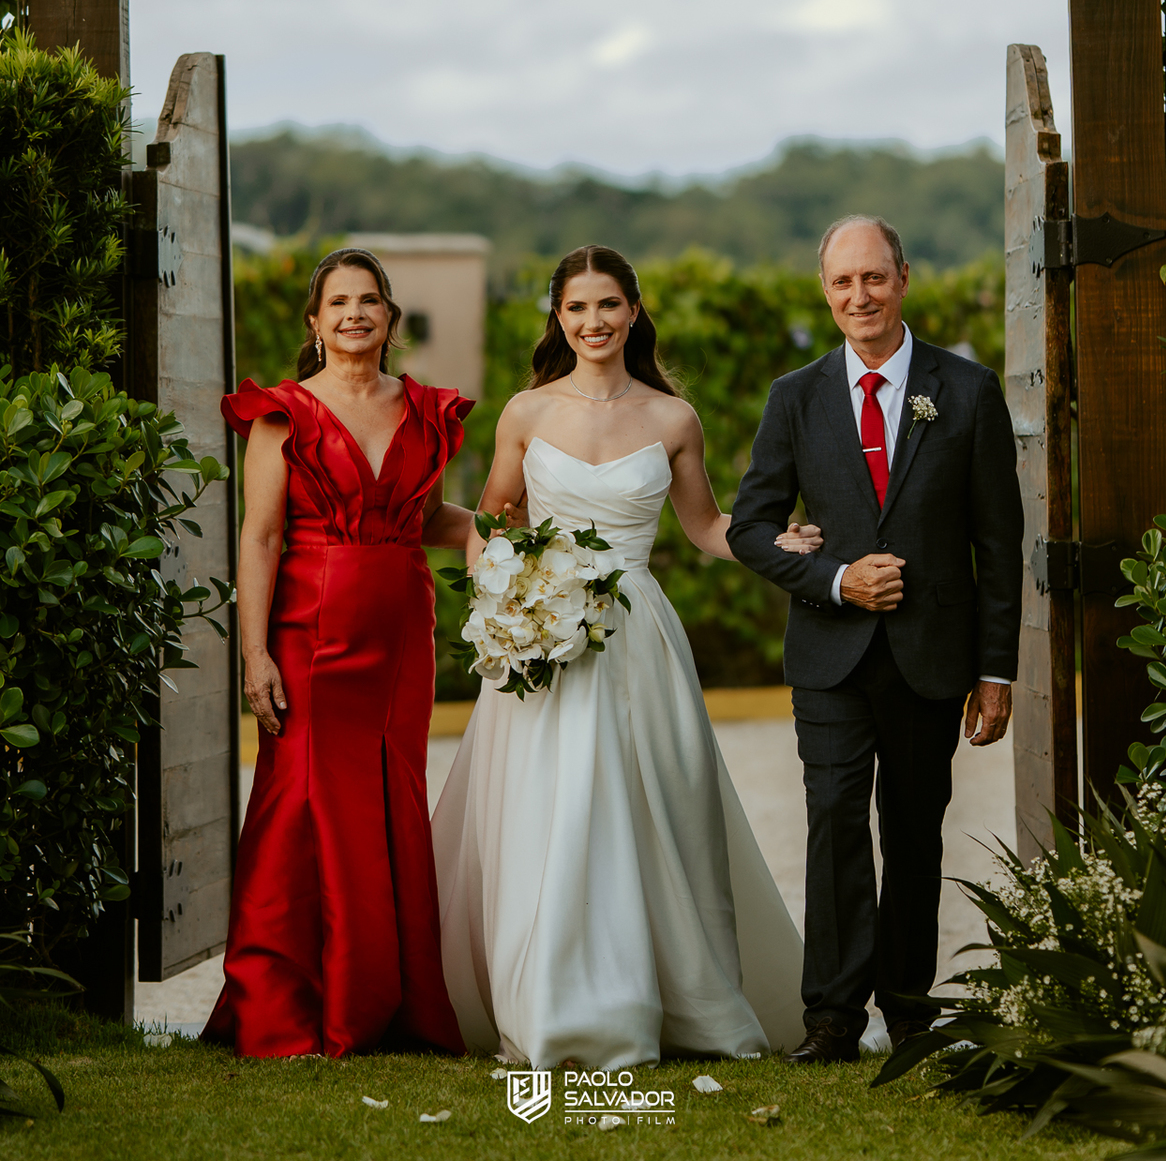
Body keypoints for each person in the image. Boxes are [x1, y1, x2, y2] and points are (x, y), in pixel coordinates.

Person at [431, 244, 817, 1069]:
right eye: (576, 308)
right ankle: (549, 1004)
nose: (593, 322)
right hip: (544, 636)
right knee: (552, 809)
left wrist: (773, 543)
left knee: (653, 808)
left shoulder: (673, 419)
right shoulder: (526, 413)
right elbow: (493, 520)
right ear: (557, 318)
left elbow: (708, 529)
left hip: (636, 634)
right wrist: (505, 600)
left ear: (633, 312)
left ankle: (669, 995)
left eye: (608, 305)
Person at [727, 215, 1022, 1064]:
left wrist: (994, 671)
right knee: (833, 824)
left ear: (903, 277)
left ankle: (909, 1014)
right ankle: (830, 1020)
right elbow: (750, 528)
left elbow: (1000, 547)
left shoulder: (967, 391)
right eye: (842, 282)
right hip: (828, 653)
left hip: (931, 658)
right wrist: (832, 577)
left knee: (914, 831)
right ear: (826, 292)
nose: (859, 295)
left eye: (874, 278)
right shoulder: (795, 396)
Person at [202, 248, 475, 1058]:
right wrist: (253, 654)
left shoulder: (425, 410)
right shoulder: (283, 414)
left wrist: (524, 536)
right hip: (310, 632)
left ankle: (391, 1000)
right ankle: (287, 1005)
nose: (354, 314)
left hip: (401, 640)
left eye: (369, 301)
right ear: (315, 324)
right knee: (301, 808)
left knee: (390, 803)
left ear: (389, 318)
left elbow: (426, 519)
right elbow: (259, 537)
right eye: (338, 303)